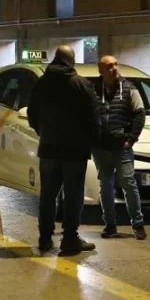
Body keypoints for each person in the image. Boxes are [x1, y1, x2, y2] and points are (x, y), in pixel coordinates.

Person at [27, 46, 100, 254]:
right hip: (75, 151)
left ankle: (44, 238)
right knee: (73, 195)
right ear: (71, 61)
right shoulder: (81, 85)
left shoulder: (42, 83)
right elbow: (94, 118)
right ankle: (69, 239)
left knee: (48, 195)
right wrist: (92, 141)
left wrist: (43, 133)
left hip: (48, 149)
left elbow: (32, 114)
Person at [91, 55, 147, 240]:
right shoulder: (93, 91)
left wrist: (131, 139)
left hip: (122, 147)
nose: (114, 68)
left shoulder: (129, 89)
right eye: (109, 66)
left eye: (115, 64)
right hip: (101, 148)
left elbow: (140, 114)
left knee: (128, 184)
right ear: (101, 70)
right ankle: (110, 225)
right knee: (105, 186)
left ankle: (138, 224)